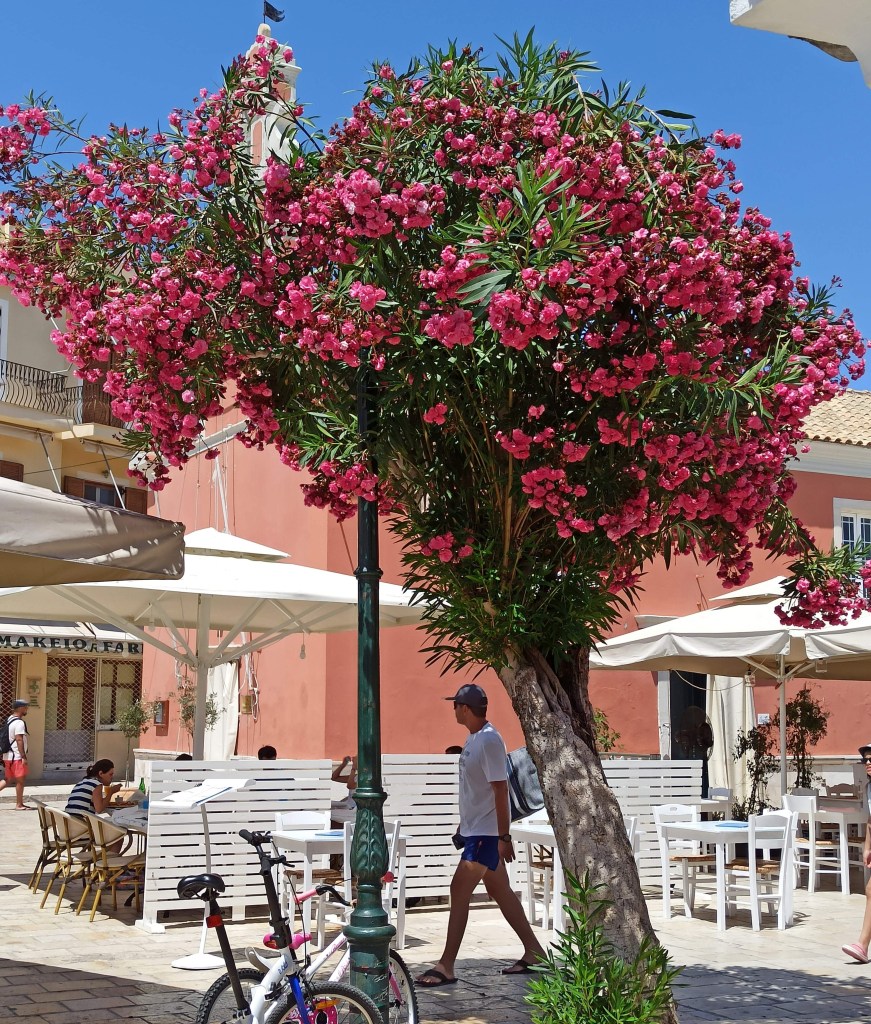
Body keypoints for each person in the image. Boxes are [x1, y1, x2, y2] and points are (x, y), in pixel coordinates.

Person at [416, 684, 545, 986]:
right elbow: (479, 791)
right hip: (478, 831)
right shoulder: (475, 738)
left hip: (487, 836)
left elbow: (500, 790)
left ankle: (446, 965)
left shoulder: (488, 740)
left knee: (458, 890)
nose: (453, 710)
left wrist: (504, 836)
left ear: (465, 708)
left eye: (456, 705)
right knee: (501, 891)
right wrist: (465, 824)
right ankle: (535, 953)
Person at [842, 741, 871, 963]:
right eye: (865, 760)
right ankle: (862, 945)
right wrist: (867, 847)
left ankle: (862, 945)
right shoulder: (870, 788)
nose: (867, 763)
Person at [65, 759, 130, 818]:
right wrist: (111, 792)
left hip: (70, 822)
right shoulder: (96, 784)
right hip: (81, 823)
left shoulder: (82, 782)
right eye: (110, 774)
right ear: (101, 773)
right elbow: (99, 809)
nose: (112, 777)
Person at [1, 700, 31, 810]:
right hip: (16, 757)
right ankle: (19, 804)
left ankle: (20, 803)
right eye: (26, 707)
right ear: (21, 708)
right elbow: (19, 740)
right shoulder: (19, 723)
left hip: (8, 756)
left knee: (8, 779)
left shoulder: (9, 719)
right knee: (20, 781)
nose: (27, 709)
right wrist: (23, 757)